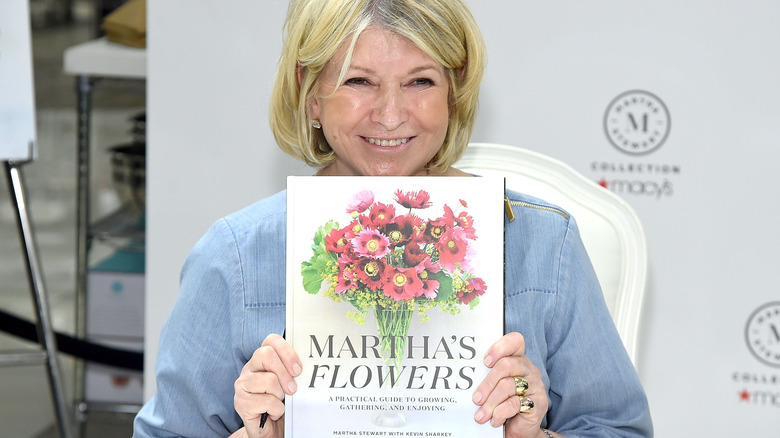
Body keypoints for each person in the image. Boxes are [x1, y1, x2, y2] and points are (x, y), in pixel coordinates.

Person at [133, 0, 653, 437]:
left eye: (419, 82)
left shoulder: (542, 242)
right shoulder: (236, 256)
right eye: (359, 81)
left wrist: (533, 435)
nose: (389, 114)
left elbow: (620, 427)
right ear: (311, 94)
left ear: (455, 88)